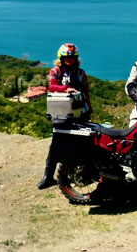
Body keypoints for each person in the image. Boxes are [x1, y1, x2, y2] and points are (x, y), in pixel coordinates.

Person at [38, 42, 92, 190]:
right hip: (61, 112)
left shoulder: (81, 73)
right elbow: (52, 86)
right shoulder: (55, 71)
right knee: (56, 143)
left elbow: (86, 91)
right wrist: (66, 89)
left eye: (72, 58)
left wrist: (89, 110)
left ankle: (72, 173)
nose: (70, 60)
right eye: (66, 58)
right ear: (61, 59)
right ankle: (48, 176)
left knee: (79, 142)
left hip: (79, 111)